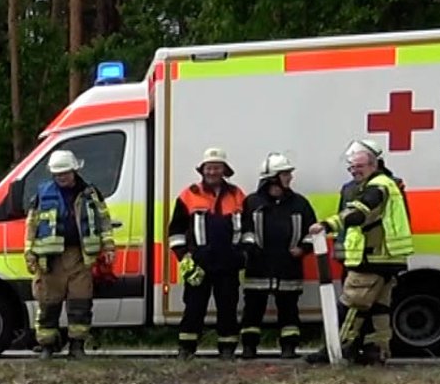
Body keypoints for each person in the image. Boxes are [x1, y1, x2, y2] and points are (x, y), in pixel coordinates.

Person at [310, 138, 412, 366]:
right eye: (351, 168)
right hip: (387, 258)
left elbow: (359, 213)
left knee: (351, 305)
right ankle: (377, 352)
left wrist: (326, 225)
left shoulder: (378, 187)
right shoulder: (385, 184)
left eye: (359, 167)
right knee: (379, 309)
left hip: (371, 258)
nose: (354, 172)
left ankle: (333, 350)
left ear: (374, 165)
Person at [24, 149, 114, 358]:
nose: (61, 177)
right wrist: (29, 252)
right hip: (50, 260)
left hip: (80, 257)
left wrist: (108, 246)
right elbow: (32, 225)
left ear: (74, 170)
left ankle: (77, 347)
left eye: (65, 173)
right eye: (57, 174)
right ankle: (47, 346)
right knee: (48, 304)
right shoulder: (42, 194)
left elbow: (104, 220)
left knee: (81, 303)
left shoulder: (90, 193)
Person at [166, 148, 255, 359]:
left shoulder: (237, 195)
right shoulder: (189, 194)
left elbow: (248, 229)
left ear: (224, 170)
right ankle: (186, 349)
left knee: (228, 308)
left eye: (217, 167)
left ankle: (227, 350)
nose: (212, 171)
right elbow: (176, 230)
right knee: (194, 308)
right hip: (199, 263)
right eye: (209, 167)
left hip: (228, 263)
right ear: (202, 170)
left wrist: (243, 254)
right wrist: (183, 256)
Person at [241, 154, 320, 360]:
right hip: (259, 266)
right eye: (286, 174)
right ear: (273, 177)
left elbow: (312, 232)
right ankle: (249, 348)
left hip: (288, 266)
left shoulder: (300, 203)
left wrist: (303, 248)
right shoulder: (252, 202)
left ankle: (289, 347)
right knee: (253, 310)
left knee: (289, 310)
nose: (290, 178)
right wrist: (250, 248)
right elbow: (244, 229)